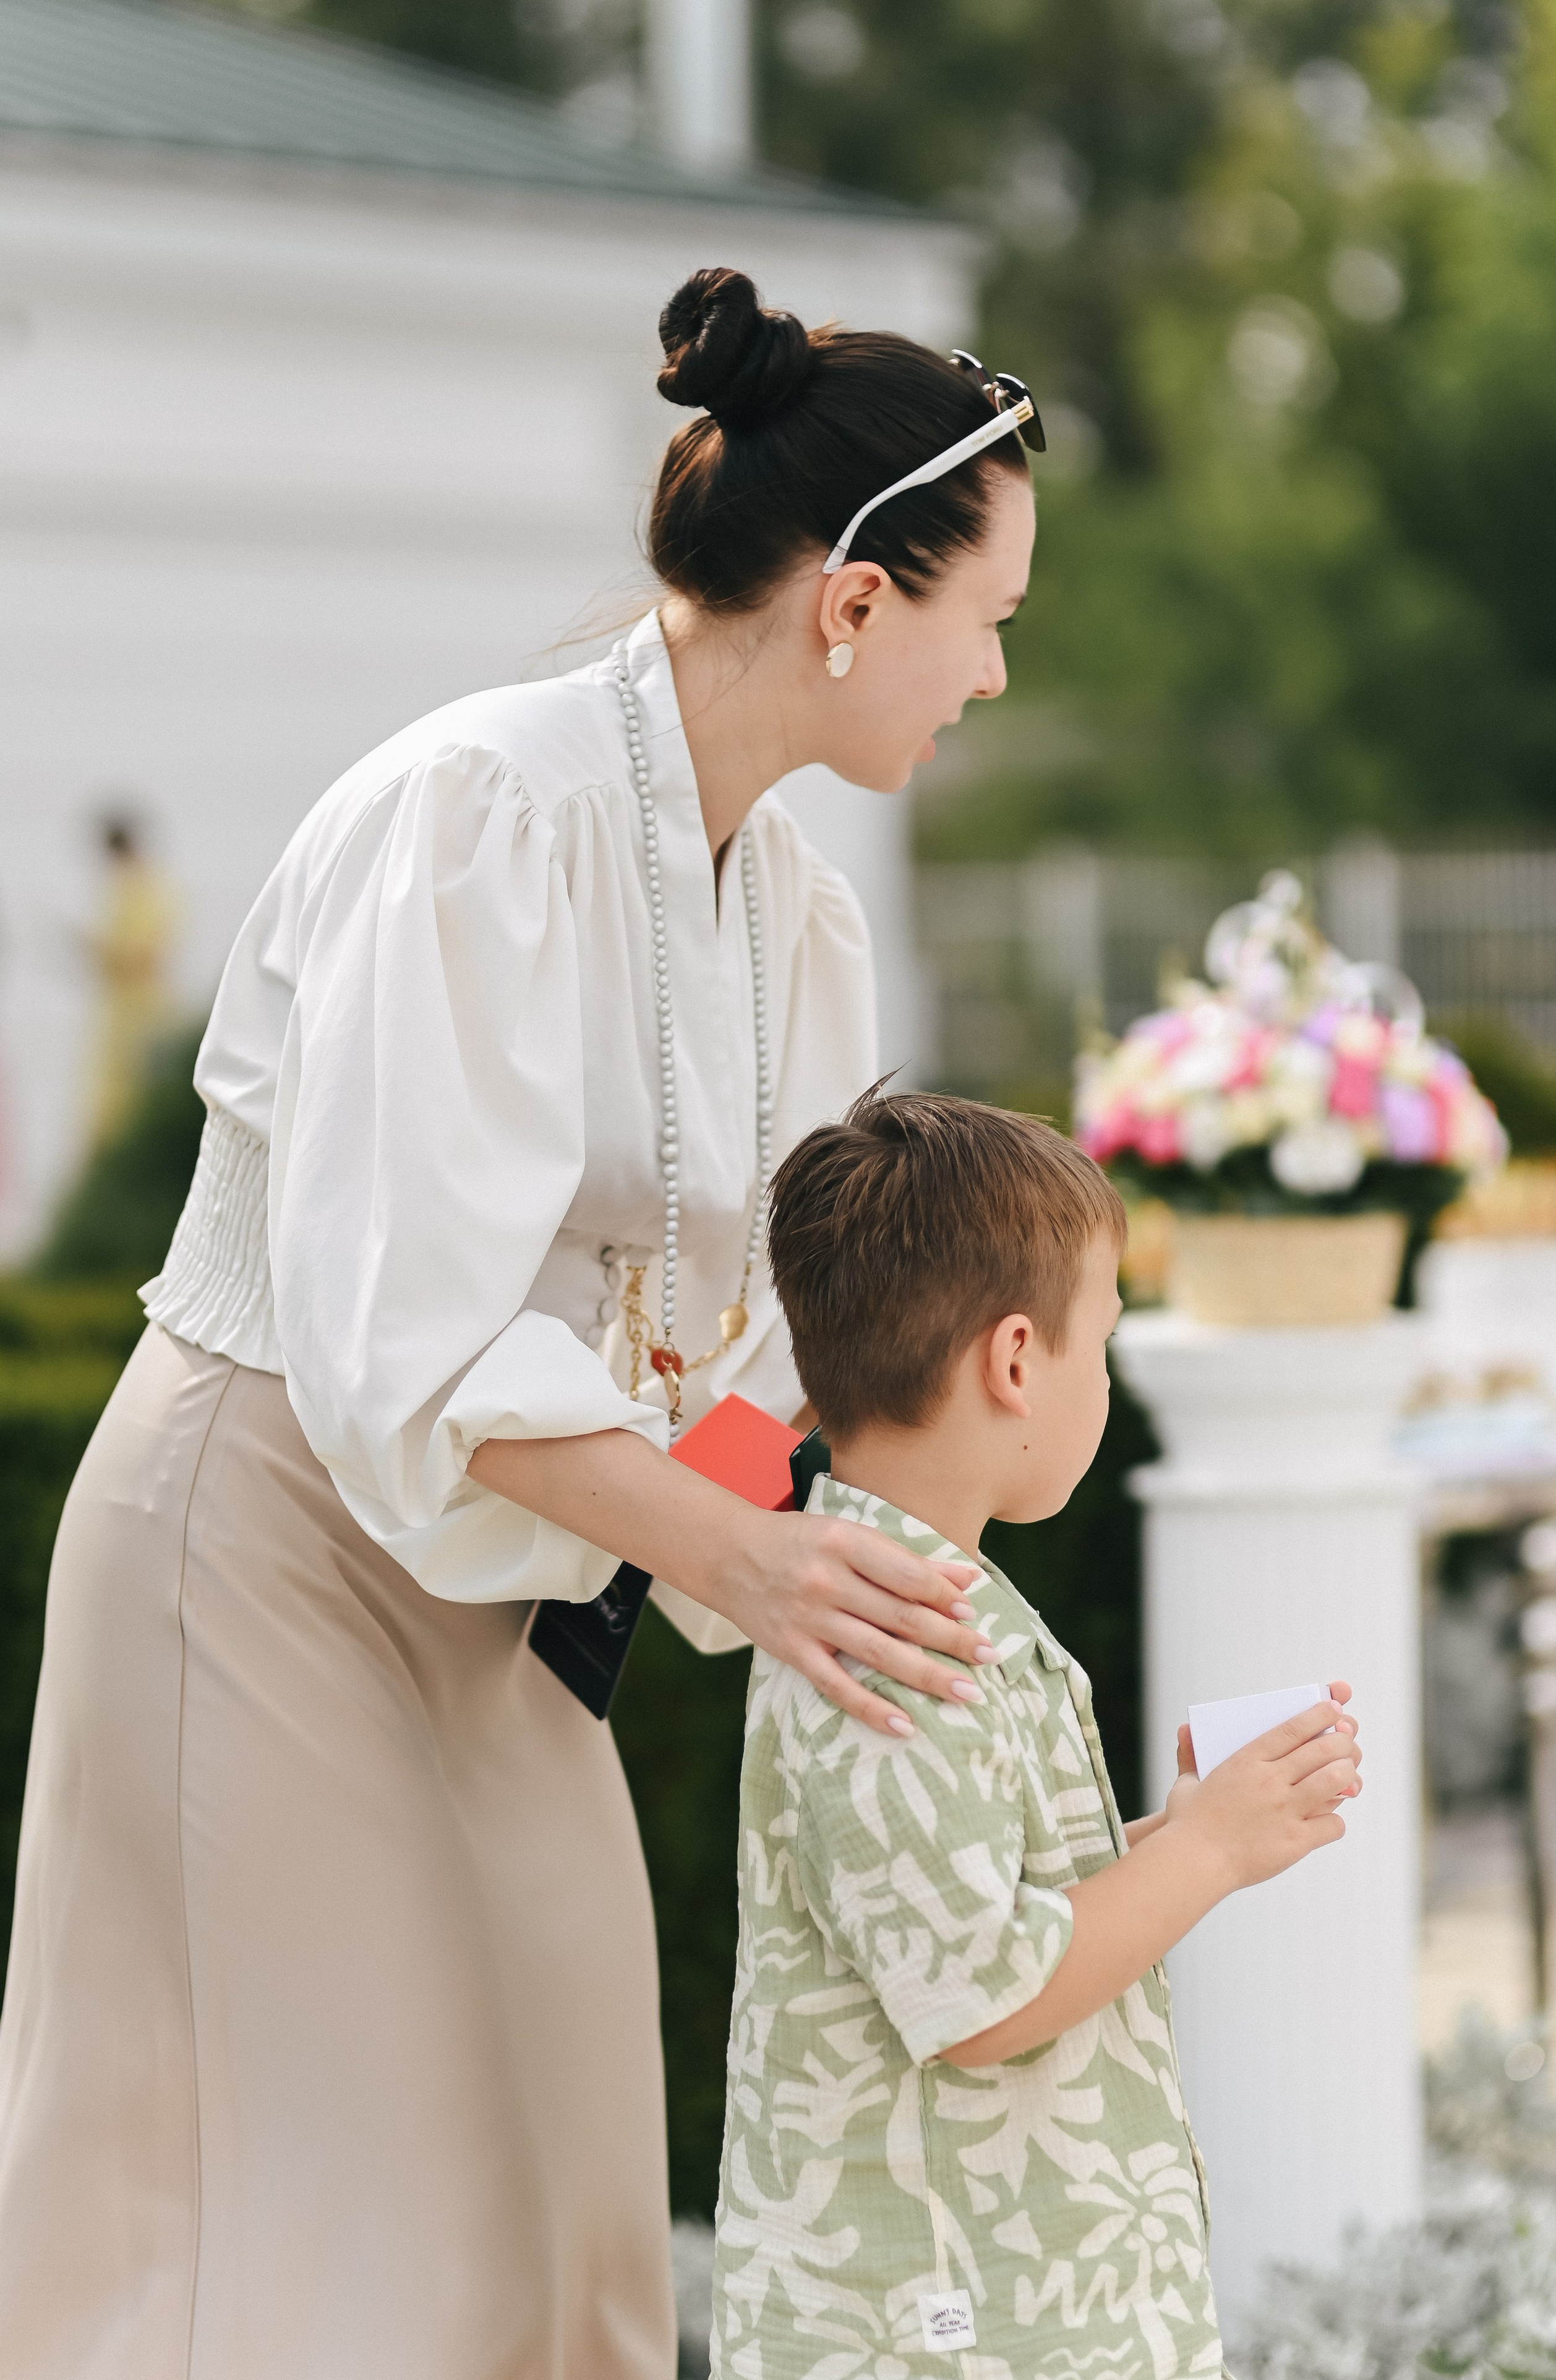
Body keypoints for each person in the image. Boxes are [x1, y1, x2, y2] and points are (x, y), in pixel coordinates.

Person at [0, 268, 1043, 2380]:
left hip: (525, 1587)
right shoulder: (477, 812)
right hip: (269, 1543)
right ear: (854, 600)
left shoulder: (800, 919)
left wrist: (836, 1545)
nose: (1000, 676)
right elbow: (410, 1341)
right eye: (990, 613)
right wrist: (744, 1545)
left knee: (571, 2201)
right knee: (341, 2233)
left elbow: (733, 1365)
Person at [713, 1089, 1364, 2377]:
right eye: (1102, 1347)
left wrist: (1165, 1832)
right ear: (1015, 1361)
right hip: (947, 2330)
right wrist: (1205, 1854)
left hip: (1016, 2308)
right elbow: (977, 1991)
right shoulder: (890, 1636)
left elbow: (968, 1899)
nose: (1104, 1381)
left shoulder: (923, 1598)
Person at [83, 810, 180, 1147]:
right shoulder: (131, 890)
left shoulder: (144, 890)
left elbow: (145, 956)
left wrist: (100, 950)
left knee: (130, 1101)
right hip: (125, 1012)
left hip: (140, 1013)